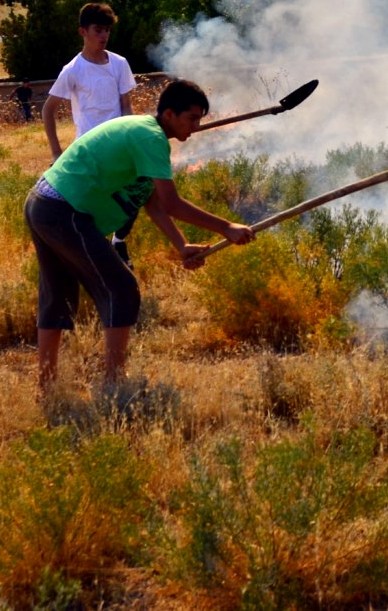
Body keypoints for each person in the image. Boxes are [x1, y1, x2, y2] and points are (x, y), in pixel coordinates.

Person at [24, 78, 252, 393]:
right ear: (170, 114)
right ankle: (115, 382)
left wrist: (181, 245)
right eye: (192, 119)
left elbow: (152, 201)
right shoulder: (151, 137)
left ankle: (46, 386)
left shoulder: (145, 132)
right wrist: (226, 227)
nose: (195, 127)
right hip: (64, 210)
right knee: (121, 287)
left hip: (44, 203)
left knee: (58, 295)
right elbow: (172, 203)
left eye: (200, 120)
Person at [42, 2, 139, 262]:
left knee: (136, 194)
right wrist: (56, 151)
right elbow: (47, 110)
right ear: (82, 32)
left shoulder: (119, 64)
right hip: (87, 150)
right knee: (89, 208)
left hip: (118, 145)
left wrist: (132, 139)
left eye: (107, 30)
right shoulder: (73, 70)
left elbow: (126, 105)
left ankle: (119, 241)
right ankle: (96, 255)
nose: (104, 36)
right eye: (98, 30)